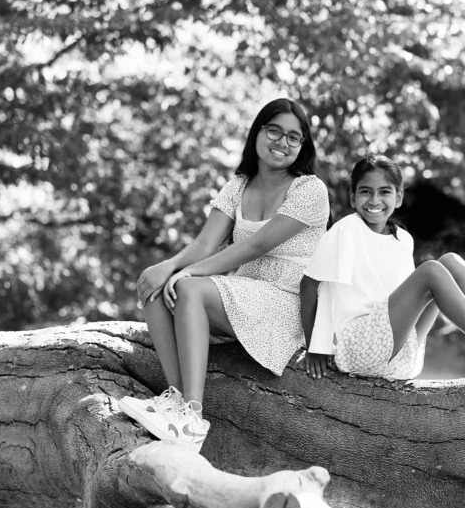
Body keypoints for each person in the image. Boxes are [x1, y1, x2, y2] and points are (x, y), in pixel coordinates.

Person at [118, 98, 330, 451]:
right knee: (155, 288)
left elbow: (254, 246)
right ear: (257, 133)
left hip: (288, 301)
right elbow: (204, 245)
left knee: (189, 289)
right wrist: (167, 268)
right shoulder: (238, 185)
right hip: (244, 294)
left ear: (303, 145)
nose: (283, 142)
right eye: (274, 130)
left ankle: (192, 415)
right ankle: (176, 401)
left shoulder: (310, 189)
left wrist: (184, 276)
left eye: (295, 137)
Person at [299, 154, 465, 383]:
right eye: (365, 191)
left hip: (396, 349)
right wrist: (315, 346)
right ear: (353, 196)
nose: (374, 200)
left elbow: (404, 302)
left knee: (450, 261)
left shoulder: (403, 239)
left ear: (399, 196)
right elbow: (310, 286)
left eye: (385, 192)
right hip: (357, 346)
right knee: (431, 271)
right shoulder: (345, 230)